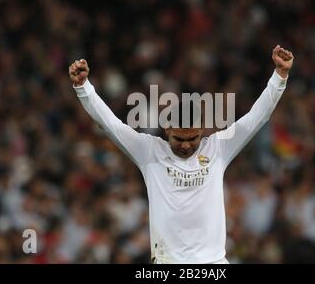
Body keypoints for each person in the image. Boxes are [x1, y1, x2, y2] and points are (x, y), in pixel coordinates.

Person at [68, 45, 294, 263]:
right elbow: (110, 124)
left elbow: (256, 118)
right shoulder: (148, 151)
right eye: (179, 139)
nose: (186, 146)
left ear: (202, 130)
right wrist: (83, 87)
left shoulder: (218, 148)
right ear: (167, 130)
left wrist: (279, 76)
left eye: (192, 139)